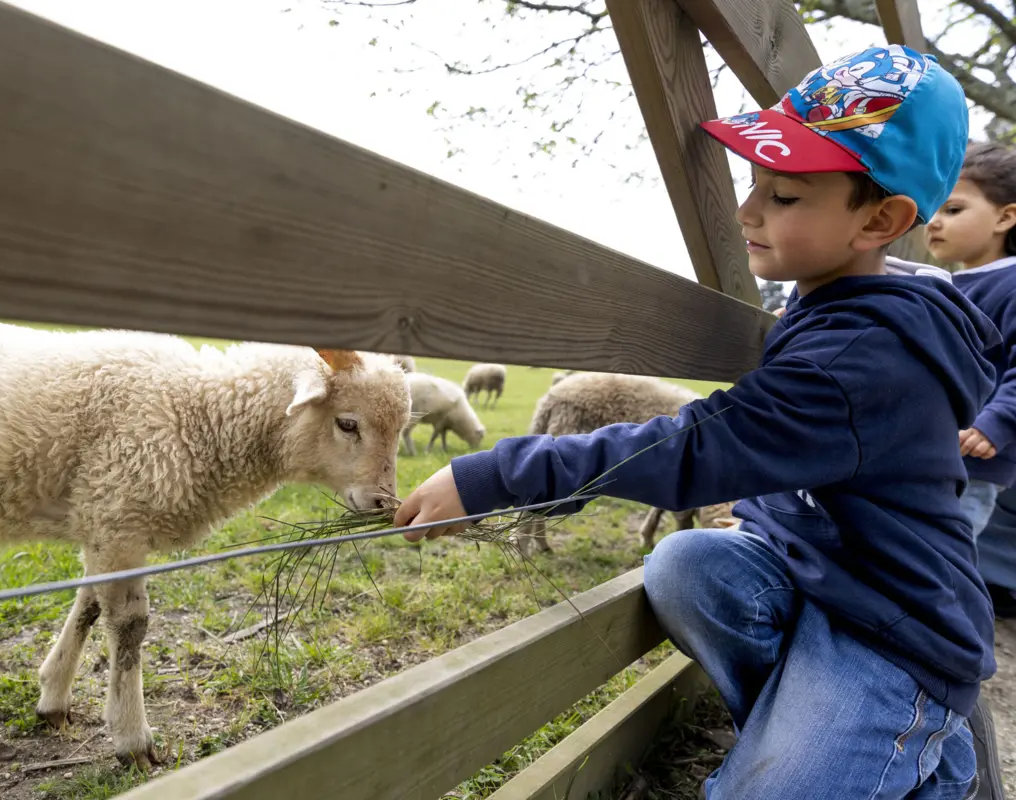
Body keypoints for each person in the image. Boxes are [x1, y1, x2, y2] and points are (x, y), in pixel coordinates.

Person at [394, 45, 1003, 798]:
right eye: (756, 183)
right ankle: (825, 732)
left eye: (784, 197)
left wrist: (496, 476)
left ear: (880, 219)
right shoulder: (836, 302)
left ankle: (911, 755)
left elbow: (697, 445)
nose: (747, 209)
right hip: (824, 575)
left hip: (894, 635)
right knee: (687, 566)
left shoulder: (864, 355)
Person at [925, 141, 1016, 616]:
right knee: (910, 551)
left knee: (944, 559)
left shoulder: (1012, 284)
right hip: (925, 453)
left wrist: (997, 421)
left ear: (1005, 218)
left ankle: (947, 641)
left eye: (953, 208)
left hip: (974, 461)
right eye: (931, 207)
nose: (933, 221)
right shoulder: (940, 286)